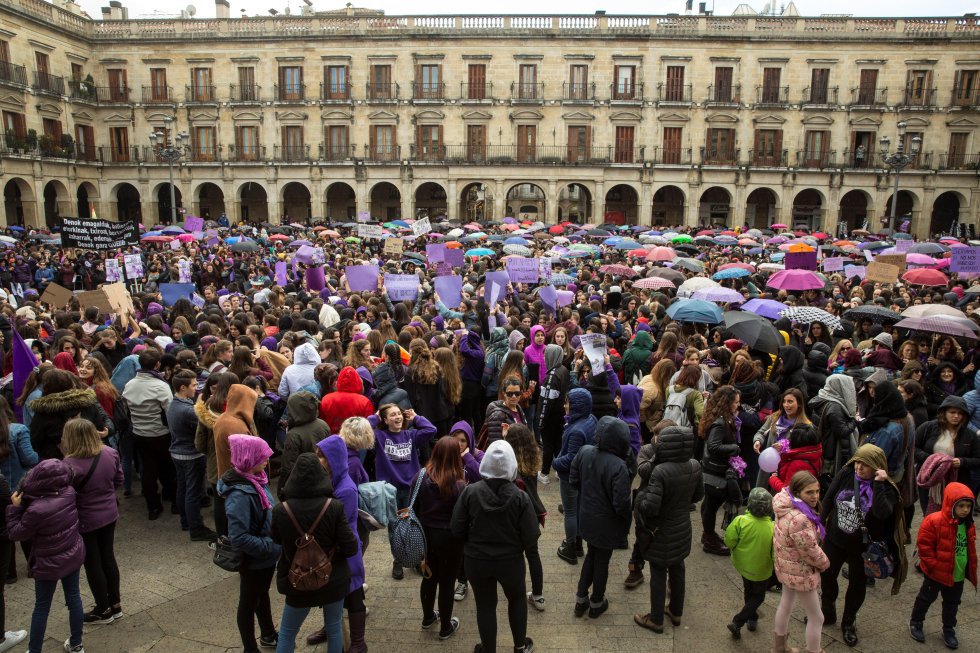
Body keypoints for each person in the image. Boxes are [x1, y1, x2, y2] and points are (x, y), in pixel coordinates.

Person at [450, 440, 539, 653]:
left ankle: (488, 648)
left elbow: (456, 528)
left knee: (485, 605)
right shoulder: (520, 496)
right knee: (516, 599)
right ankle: (519, 646)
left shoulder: (470, 492)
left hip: (477, 560)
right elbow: (531, 536)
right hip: (510, 562)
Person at [820, 444, 907, 648]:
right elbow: (829, 498)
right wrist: (819, 523)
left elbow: (882, 513)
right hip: (835, 540)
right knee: (826, 574)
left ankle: (848, 623)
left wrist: (878, 484)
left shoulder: (888, 489)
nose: (859, 467)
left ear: (877, 467)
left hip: (863, 548)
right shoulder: (846, 473)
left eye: (865, 465)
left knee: (857, 586)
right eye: (858, 461)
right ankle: (827, 609)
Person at [271, 452, 358, 653]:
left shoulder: (280, 510)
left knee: (287, 633)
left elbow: (276, 540)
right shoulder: (334, 507)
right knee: (334, 627)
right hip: (332, 579)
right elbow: (351, 547)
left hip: (297, 581)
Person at [6, 459, 86, 653]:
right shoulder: (69, 493)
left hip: (47, 562)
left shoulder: (36, 509)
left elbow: (16, 533)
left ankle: (34, 650)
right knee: (74, 597)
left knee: (41, 607)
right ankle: (76, 644)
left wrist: (14, 509)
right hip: (72, 553)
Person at [632, 419, 703, 633]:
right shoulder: (694, 465)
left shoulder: (660, 471)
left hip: (661, 531)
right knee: (678, 568)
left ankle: (655, 619)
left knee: (658, 571)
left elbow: (651, 508)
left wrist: (639, 501)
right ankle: (676, 611)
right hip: (682, 528)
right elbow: (698, 495)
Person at [220, 434, 281, 653]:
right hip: (255, 559)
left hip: (264, 558)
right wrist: (271, 547)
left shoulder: (257, 479)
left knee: (261, 595)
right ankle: (250, 648)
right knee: (248, 603)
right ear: (249, 458)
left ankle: (268, 634)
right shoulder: (240, 494)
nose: (267, 460)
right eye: (262, 457)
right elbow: (238, 536)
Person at [61, 418, 124, 625]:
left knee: (92, 562)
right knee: (108, 557)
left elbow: (65, 494)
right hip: (109, 513)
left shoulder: (69, 464)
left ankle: (103, 608)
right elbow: (119, 480)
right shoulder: (110, 453)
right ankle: (115, 604)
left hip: (86, 518)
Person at [570, 416, 632, 619]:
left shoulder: (585, 452)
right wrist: (624, 522)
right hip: (607, 523)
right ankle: (596, 602)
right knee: (602, 560)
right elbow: (621, 503)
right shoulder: (619, 466)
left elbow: (574, 480)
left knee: (591, 555)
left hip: (587, 517)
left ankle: (581, 600)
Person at [368, 403, 437, 580]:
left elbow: (431, 430)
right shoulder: (379, 436)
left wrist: (416, 418)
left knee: (413, 525)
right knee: (394, 528)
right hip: (389, 490)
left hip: (411, 490)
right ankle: (398, 560)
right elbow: (362, 430)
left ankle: (415, 559)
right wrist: (375, 417)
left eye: (399, 414)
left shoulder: (411, 435)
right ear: (385, 420)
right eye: (392, 415)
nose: (398, 417)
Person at [908, 482, 976, 650]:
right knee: (926, 598)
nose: (965, 510)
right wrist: (932, 565)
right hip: (936, 573)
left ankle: (948, 629)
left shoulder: (968, 525)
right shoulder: (934, 521)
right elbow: (924, 546)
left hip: (957, 574)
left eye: (968, 506)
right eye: (961, 506)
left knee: (952, 603)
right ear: (951, 503)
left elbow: (970, 549)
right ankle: (916, 622)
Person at [772, 471, 830, 653]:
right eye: (809, 492)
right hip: (801, 572)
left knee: (785, 605)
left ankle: (779, 648)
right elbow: (810, 551)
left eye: (817, 491)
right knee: (817, 617)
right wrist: (825, 563)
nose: (815, 497)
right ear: (798, 492)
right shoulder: (800, 519)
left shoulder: (784, 505)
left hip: (787, 567)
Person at [414, 436, 465, 640]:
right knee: (447, 582)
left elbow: (415, 506)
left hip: (426, 535)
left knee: (429, 577)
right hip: (451, 539)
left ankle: (428, 618)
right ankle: (445, 626)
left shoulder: (421, 477)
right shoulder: (460, 485)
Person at [122, 348, 175, 519]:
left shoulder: (129, 385)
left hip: (139, 433)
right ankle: (170, 496)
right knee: (167, 467)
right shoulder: (160, 386)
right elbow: (170, 411)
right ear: (158, 364)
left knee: (148, 469)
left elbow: (127, 408)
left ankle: (153, 506)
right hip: (160, 434)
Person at [166, 370, 215, 542]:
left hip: (177, 453)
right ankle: (196, 527)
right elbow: (208, 425)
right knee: (193, 492)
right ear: (182, 387)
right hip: (191, 455)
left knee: (183, 487)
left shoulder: (174, 404)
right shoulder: (187, 410)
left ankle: (185, 521)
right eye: (194, 385)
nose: (197, 388)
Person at [552, 388, 596, 564]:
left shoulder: (577, 430)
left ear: (577, 405)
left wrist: (555, 463)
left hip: (570, 477)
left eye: (567, 403)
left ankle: (570, 547)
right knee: (576, 508)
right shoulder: (590, 419)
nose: (565, 406)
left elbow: (571, 459)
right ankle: (578, 544)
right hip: (583, 476)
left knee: (570, 512)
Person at [724, 487, 775, 639]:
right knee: (758, 597)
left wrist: (734, 550)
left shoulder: (740, 521)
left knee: (749, 592)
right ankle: (738, 621)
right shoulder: (773, 528)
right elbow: (775, 554)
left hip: (743, 566)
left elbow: (729, 540)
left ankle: (752, 619)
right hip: (762, 571)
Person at [700, 386, 742, 556]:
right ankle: (709, 539)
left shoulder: (722, 419)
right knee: (711, 505)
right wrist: (734, 448)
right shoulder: (720, 422)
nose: (738, 406)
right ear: (727, 403)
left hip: (713, 469)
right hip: (715, 472)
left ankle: (708, 535)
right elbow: (714, 446)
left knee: (709, 504)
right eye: (736, 402)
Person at [278, 391, 331, 497]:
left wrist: (282, 488)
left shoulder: (293, 435)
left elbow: (288, 466)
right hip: (322, 476)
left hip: (301, 483)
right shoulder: (322, 424)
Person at [536, 343, 569, 483]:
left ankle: (544, 473)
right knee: (558, 443)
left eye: (546, 354)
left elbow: (546, 402)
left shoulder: (551, 376)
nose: (544, 357)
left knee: (548, 444)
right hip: (560, 414)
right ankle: (559, 470)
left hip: (550, 416)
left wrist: (540, 420)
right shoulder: (563, 370)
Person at [485, 377, 528, 445]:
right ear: (504, 393)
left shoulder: (518, 408)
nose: (514, 396)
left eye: (517, 393)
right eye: (510, 394)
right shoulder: (497, 415)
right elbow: (495, 444)